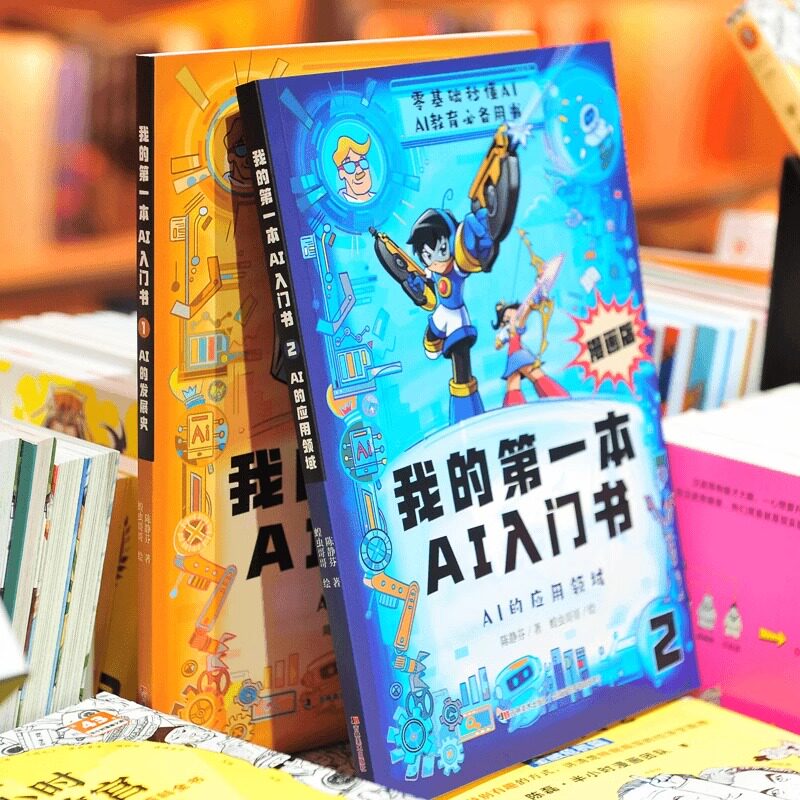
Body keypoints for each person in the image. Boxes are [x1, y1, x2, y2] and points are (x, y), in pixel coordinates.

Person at [333, 135, 374, 203]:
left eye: (362, 160)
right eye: (349, 165)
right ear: (341, 173)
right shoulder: (338, 202)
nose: (359, 171)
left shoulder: (383, 200)